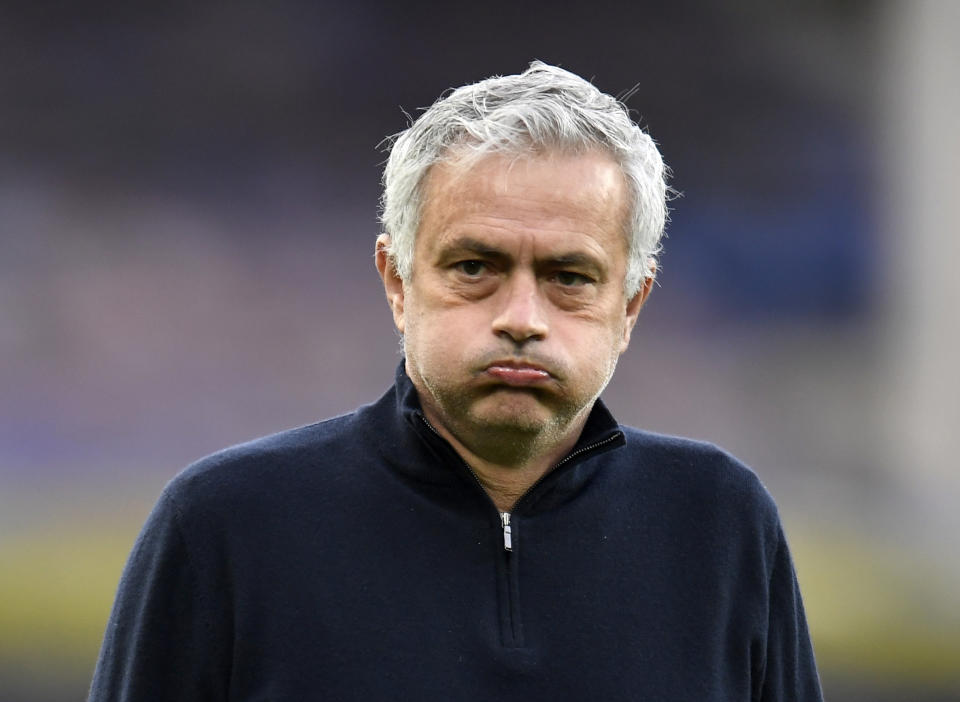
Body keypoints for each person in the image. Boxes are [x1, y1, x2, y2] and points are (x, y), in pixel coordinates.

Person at [89, 61, 823, 701]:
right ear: (398, 281)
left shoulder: (719, 523)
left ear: (630, 305)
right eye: (475, 267)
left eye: (570, 276)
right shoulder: (226, 524)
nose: (521, 317)